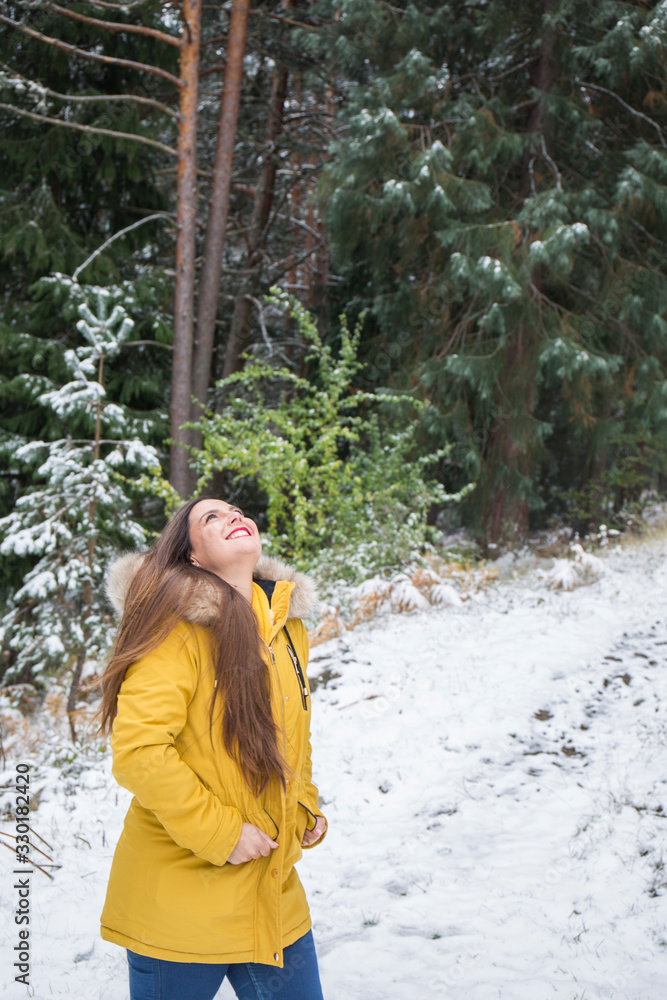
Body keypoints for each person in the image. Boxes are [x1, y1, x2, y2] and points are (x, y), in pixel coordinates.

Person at [97, 497, 327, 1000]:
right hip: (180, 906)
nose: (234, 517)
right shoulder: (173, 630)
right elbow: (140, 752)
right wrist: (223, 833)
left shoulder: (287, 627)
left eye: (237, 511)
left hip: (271, 893)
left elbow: (294, 735)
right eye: (212, 518)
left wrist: (303, 803)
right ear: (192, 556)